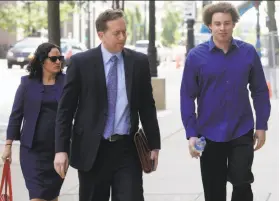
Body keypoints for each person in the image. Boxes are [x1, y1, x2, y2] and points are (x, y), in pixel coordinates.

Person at [54, 9, 161, 201]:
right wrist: (61, 149)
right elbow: (65, 110)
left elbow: (147, 106)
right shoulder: (81, 63)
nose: (122, 37)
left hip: (127, 150)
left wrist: (154, 145)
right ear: (101, 35)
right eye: (116, 33)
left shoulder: (138, 62)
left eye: (124, 32)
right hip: (93, 151)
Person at [180, 2, 271, 201]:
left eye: (227, 23)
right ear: (210, 25)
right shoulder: (196, 57)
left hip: (242, 129)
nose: (223, 28)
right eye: (218, 23)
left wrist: (262, 125)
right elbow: (187, 96)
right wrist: (191, 134)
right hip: (208, 132)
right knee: (213, 189)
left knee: (242, 181)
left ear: (233, 24)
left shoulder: (248, 52)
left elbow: (260, 91)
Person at [1, 42, 65, 201]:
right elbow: (16, 115)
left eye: (60, 58)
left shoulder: (67, 82)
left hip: (58, 150)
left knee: (52, 196)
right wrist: (8, 146)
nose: (58, 62)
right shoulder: (27, 83)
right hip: (32, 151)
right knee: (37, 197)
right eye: (54, 58)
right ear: (42, 60)